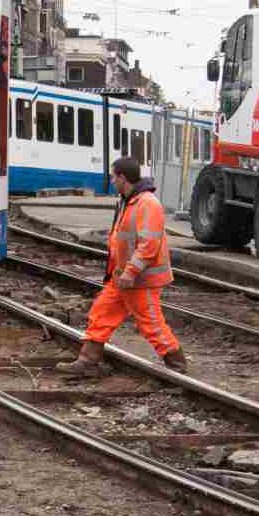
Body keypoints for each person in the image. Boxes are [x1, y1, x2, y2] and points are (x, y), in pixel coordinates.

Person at [56, 157, 188, 377]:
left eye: (113, 176)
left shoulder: (148, 203)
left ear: (122, 177)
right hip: (122, 276)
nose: (111, 180)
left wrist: (131, 271)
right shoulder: (127, 200)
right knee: (102, 312)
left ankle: (177, 366)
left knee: (151, 323)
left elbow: (149, 245)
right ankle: (87, 361)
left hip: (140, 279)